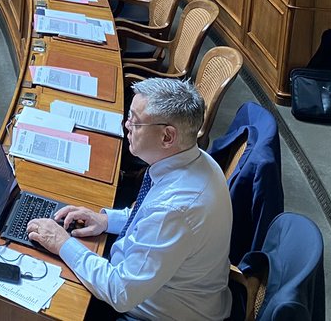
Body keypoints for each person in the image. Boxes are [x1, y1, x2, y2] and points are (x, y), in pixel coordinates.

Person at [25, 77, 232, 321]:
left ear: (167, 136)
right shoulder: (195, 160)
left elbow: (119, 291)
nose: (126, 125)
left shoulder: (175, 209)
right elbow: (148, 217)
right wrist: (104, 220)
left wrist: (61, 243)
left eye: (135, 121)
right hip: (154, 289)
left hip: (152, 312)